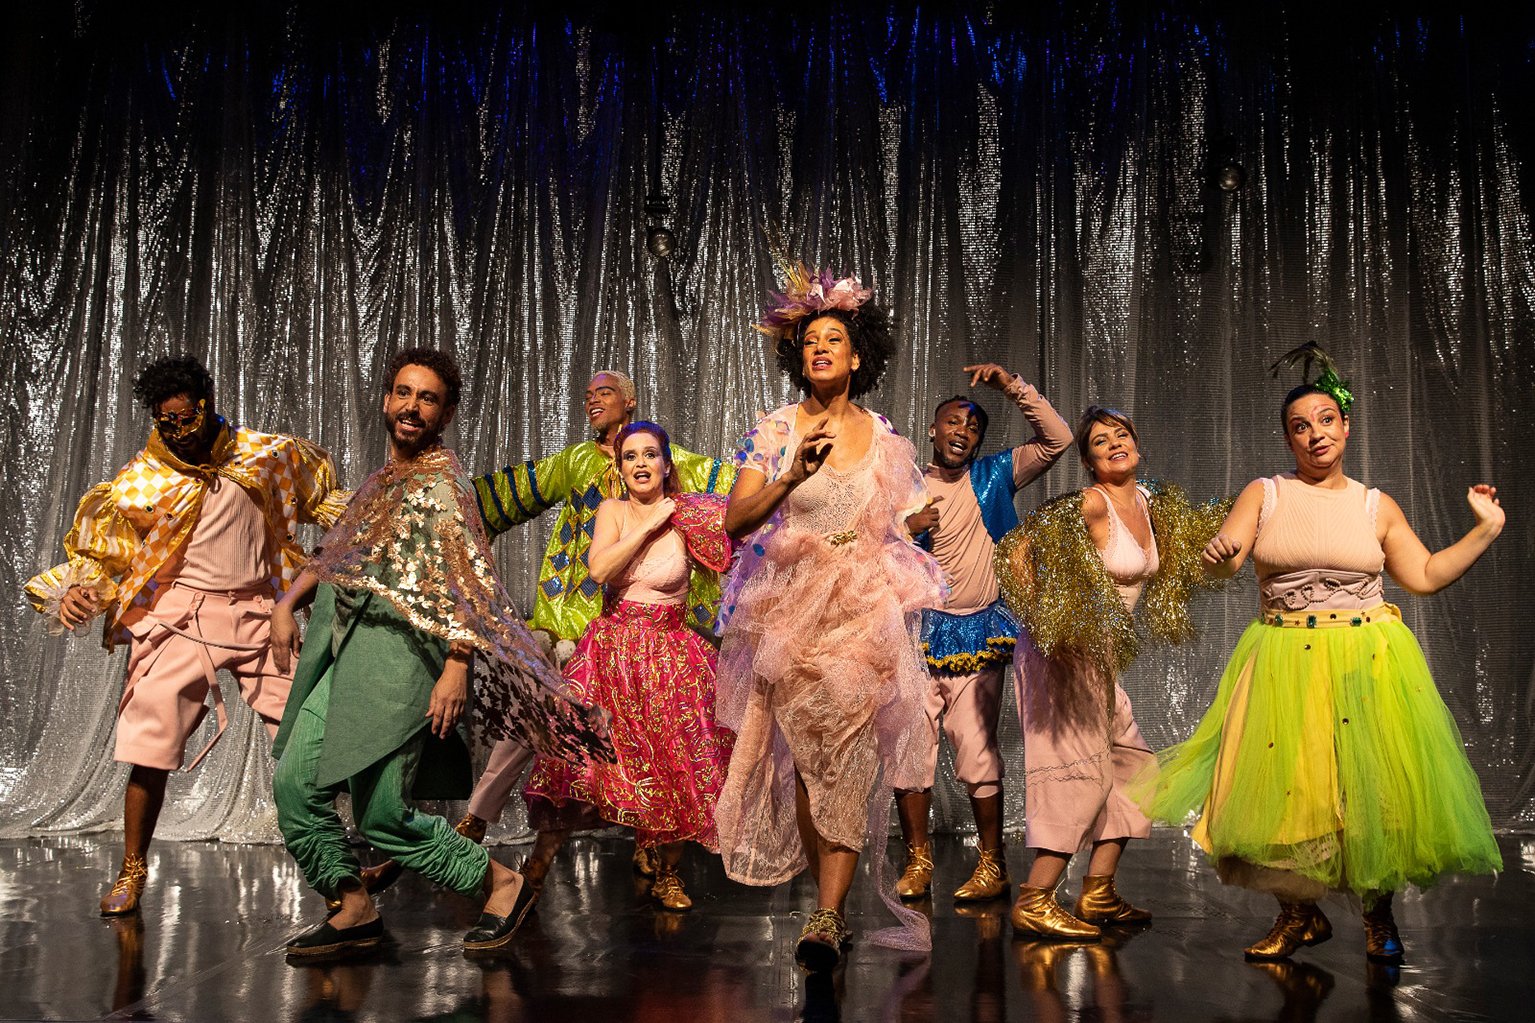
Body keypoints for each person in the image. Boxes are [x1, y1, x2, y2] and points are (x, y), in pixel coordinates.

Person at [1138, 345, 1505, 962]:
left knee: (1373, 791)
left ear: (1345, 426)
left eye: (1326, 421)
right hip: (1285, 656)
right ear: (1288, 438)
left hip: (1366, 657)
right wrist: (1223, 553)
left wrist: (1484, 529)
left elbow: (1424, 574)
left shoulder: (1373, 504)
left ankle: (1378, 918)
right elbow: (1230, 552)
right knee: (1290, 793)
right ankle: (1299, 914)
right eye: (1301, 426)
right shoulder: (1267, 493)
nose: (1315, 435)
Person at [269, 348, 610, 959]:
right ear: (385, 400)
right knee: (295, 784)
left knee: (381, 816)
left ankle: (500, 884)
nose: (411, 406)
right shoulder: (381, 482)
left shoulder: (442, 485)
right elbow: (335, 553)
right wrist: (282, 604)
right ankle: (352, 907)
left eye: (427, 398)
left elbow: (469, 581)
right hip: (348, 650)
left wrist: (457, 665)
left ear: (445, 413)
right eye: (403, 393)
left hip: (402, 659)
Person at [364, 370, 734, 893]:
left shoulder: (678, 466)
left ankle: (650, 850)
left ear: (630, 403)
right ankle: (479, 832)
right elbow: (509, 493)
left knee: (651, 743)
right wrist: (440, 518)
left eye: (604, 393)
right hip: (572, 622)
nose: (592, 401)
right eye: (587, 395)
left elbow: (740, 495)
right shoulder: (577, 463)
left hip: (653, 637)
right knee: (542, 730)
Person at [24, 355, 347, 915]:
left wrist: (362, 542)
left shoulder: (267, 456)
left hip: (258, 612)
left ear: (209, 402)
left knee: (308, 741)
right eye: (165, 423)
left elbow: (328, 507)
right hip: (183, 618)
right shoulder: (146, 478)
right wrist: (81, 589)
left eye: (186, 420)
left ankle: (340, 868)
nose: (176, 433)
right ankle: (131, 868)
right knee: (148, 749)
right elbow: (111, 554)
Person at [713, 263, 946, 971]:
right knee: (812, 766)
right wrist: (790, 476)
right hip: (794, 613)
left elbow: (902, 517)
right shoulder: (774, 430)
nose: (819, 348)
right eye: (810, 339)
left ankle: (827, 913)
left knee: (848, 760)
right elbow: (734, 519)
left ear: (855, 355)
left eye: (833, 338)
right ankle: (827, 899)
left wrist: (919, 522)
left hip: (862, 610)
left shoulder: (881, 431)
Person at [996, 406, 1228, 940]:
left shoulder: (1148, 502)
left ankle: (1097, 892)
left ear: (1137, 444)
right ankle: (1035, 899)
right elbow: (1017, 553)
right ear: (1088, 460)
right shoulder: (1091, 503)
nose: (1114, 444)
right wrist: (1045, 620)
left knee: (1132, 767)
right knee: (1081, 773)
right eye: (1101, 442)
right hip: (1065, 654)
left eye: (1121, 435)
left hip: (1100, 657)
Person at [523, 421, 736, 911]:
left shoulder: (689, 516)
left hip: (671, 654)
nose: (640, 463)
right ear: (620, 468)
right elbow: (599, 571)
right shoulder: (614, 511)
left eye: (650, 454)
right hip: (613, 652)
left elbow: (738, 537)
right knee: (577, 761)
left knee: (676, 763)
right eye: (630, 456)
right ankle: (534, 872)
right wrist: (648, 522)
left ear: (666, 464)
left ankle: (668, 873)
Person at [894, 365, 1072, 902]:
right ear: (932, 429)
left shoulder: (997, 473)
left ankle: (992, 864)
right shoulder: (902, 485)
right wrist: (904, 529)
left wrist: (1013, 387)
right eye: (953, 422)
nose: (962, 432)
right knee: (911, 751)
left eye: (972, 427)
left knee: (976, 751)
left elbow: (1058, 439)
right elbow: (863, 546)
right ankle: (918, 860)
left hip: (978, 634)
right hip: (915, 635)